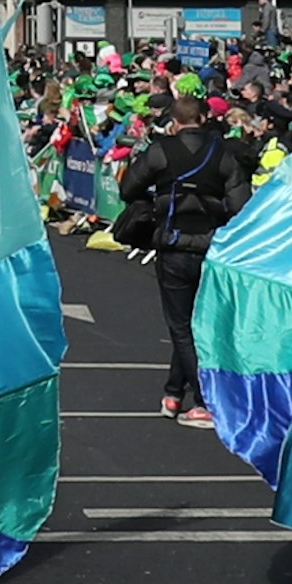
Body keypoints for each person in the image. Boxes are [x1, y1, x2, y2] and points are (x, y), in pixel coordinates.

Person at [117, 92, 240, 429]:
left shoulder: (161, 151)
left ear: (174, 122)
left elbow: (127, 190)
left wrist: (160, 197)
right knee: (195, 325)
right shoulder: (223, 153)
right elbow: (241, 204)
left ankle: (204, 401)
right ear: (203, 119)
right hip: (211, 249)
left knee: (182, 326)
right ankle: (173, 393)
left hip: (172, 246)